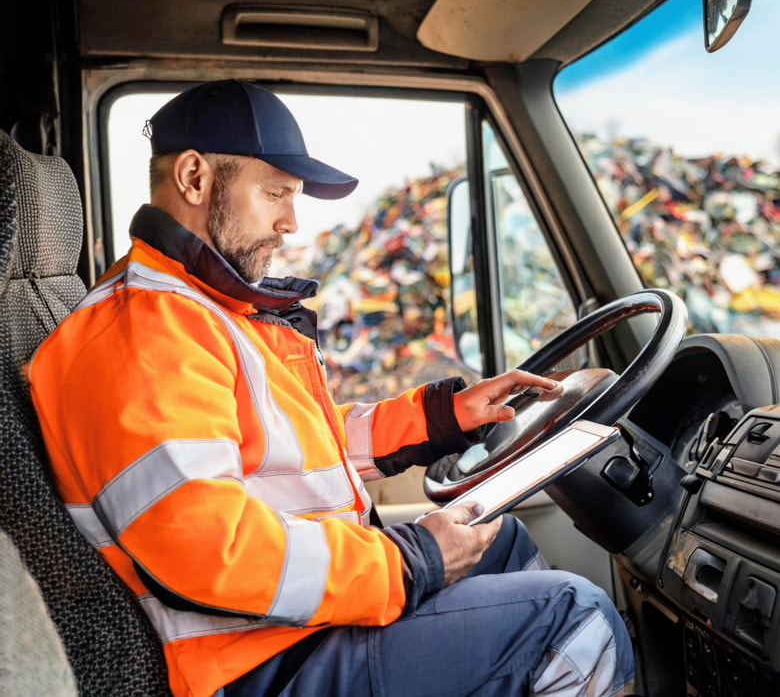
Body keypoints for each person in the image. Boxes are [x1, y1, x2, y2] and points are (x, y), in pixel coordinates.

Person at [29, 80, 634, 697]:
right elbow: (204, 548)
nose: (290, 222)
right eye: (275, 194)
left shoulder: (205, 311)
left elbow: (294, 444)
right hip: (253, 660)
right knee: (574, 617)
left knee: (498, 537)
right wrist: (409, 560)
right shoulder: (143, 331)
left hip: (283, 625)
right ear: (193, 178)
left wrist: (444, 416)